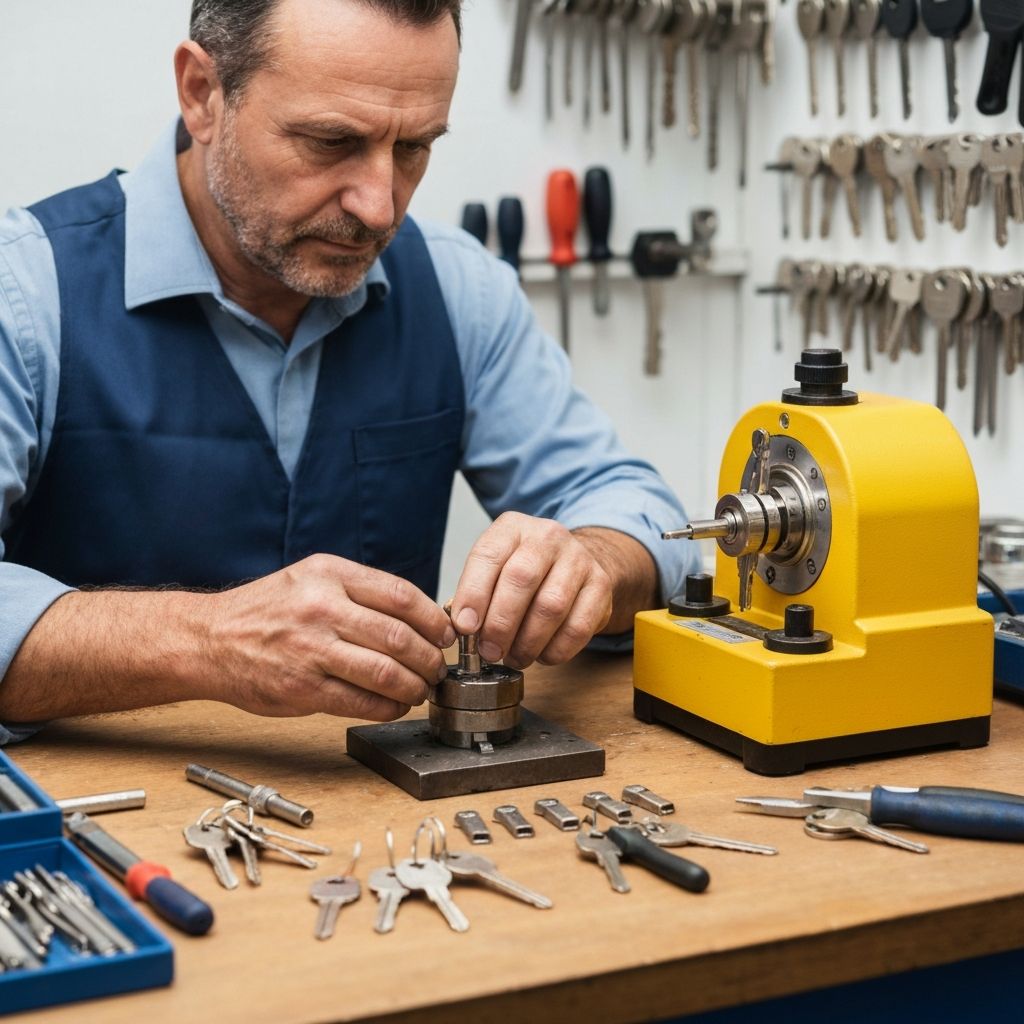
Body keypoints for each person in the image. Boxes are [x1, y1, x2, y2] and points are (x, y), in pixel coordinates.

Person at [0, 0, 698, 744]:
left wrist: (589, 562)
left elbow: (646, 515)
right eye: (332, 142)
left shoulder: (458, 287)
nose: (378, 206)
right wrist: (208, 639)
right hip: (93, 833)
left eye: (414, 148)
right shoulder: (28, 291)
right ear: (202, 92)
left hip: (383, 830)